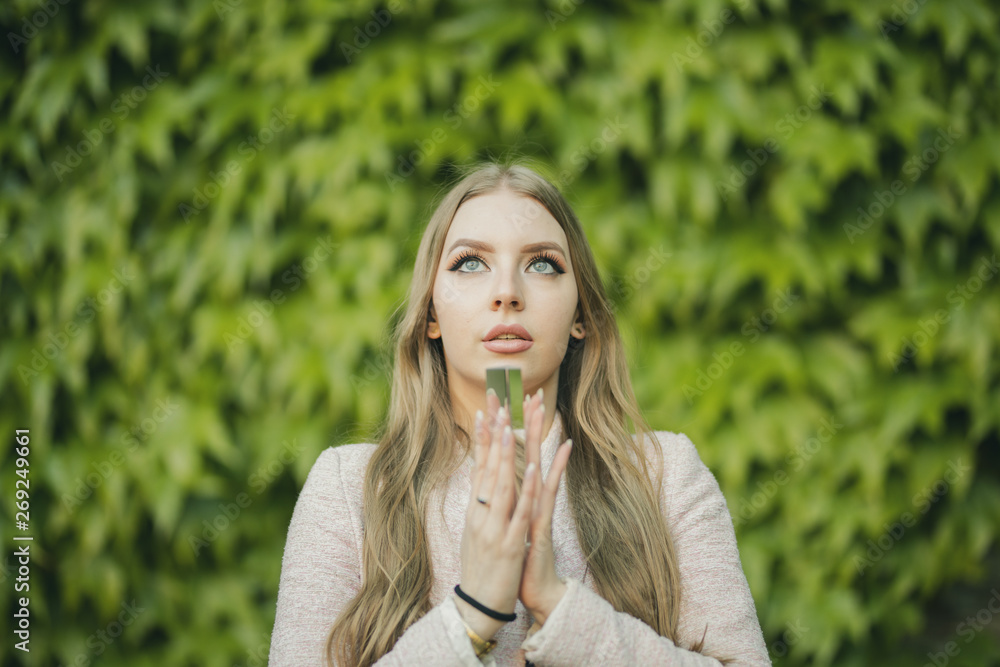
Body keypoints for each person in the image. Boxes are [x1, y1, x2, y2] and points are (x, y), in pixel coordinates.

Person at [268, 162, 770, 666]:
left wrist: (562, 609)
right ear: (430, 316)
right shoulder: (348, 489)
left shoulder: (663, 475)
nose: (507, 292)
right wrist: (470, 615)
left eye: (543, 264)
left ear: (582, 317)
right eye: (469, 263)